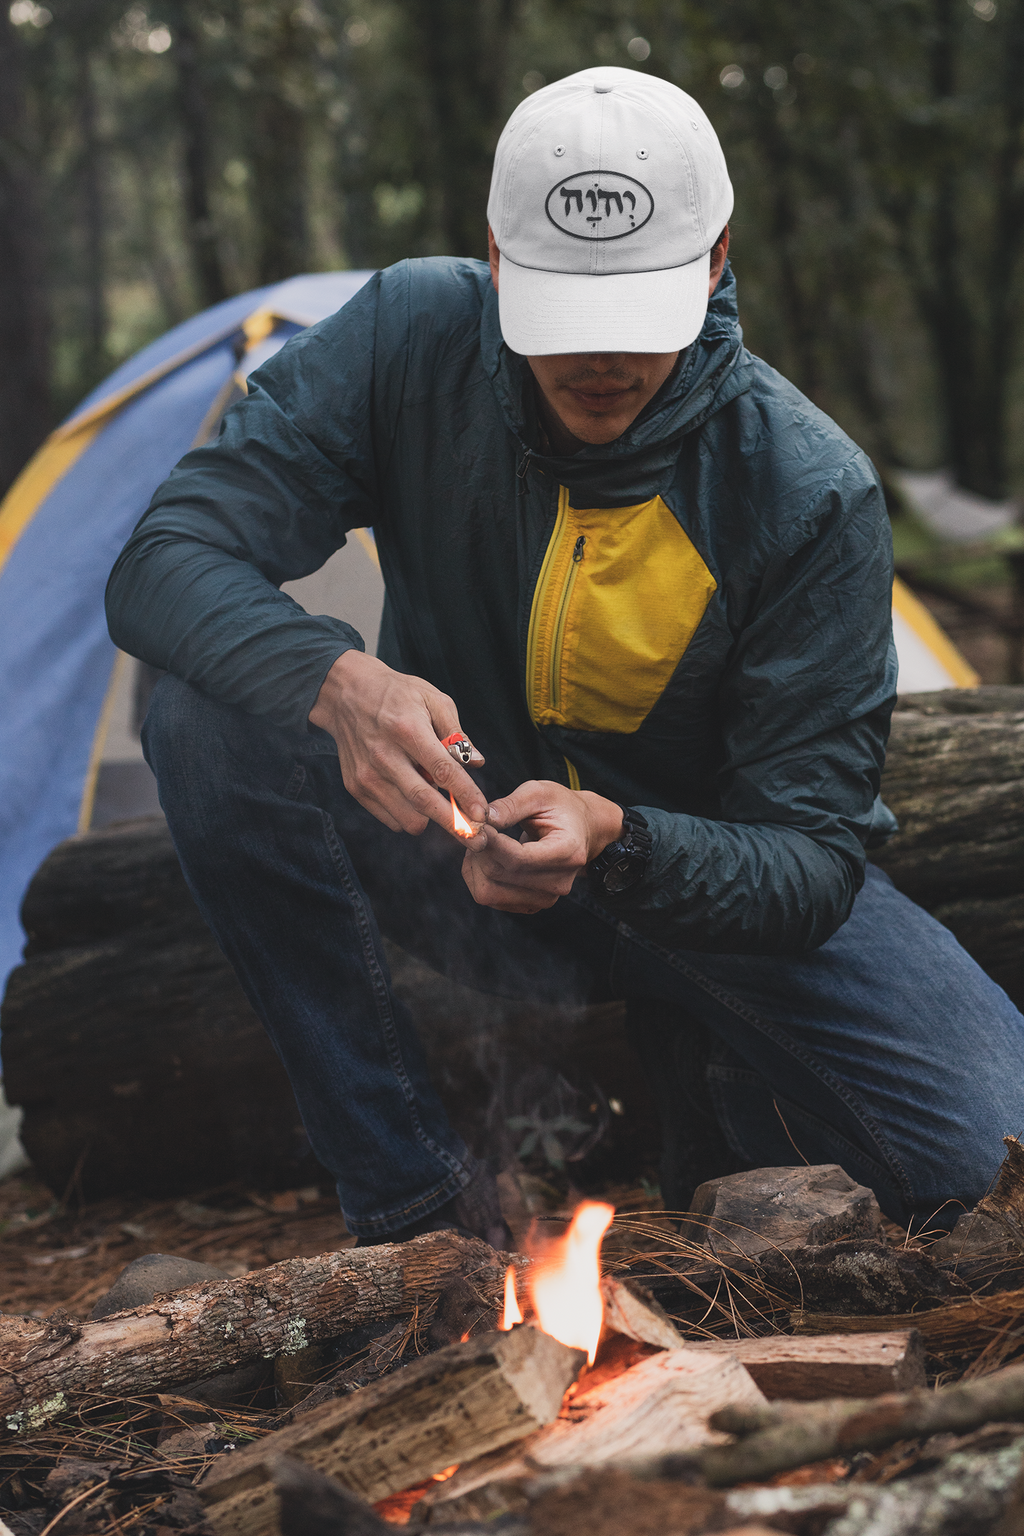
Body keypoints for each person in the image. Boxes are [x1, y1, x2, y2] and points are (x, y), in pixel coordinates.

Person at [106, 67, 1024, 1247]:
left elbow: (809, 861)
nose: (599, 362)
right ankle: (415, 1208)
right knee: (203, 712)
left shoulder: (804, 487)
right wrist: (334, 681)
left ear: (715, 258)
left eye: (633, 316)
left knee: (986, 1151)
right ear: (494, 257)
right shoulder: (407, 339)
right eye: (564, 315)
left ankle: (716, 1082)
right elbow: (163, 558)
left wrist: (619, 840)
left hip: (698, 882)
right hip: (453, 844)